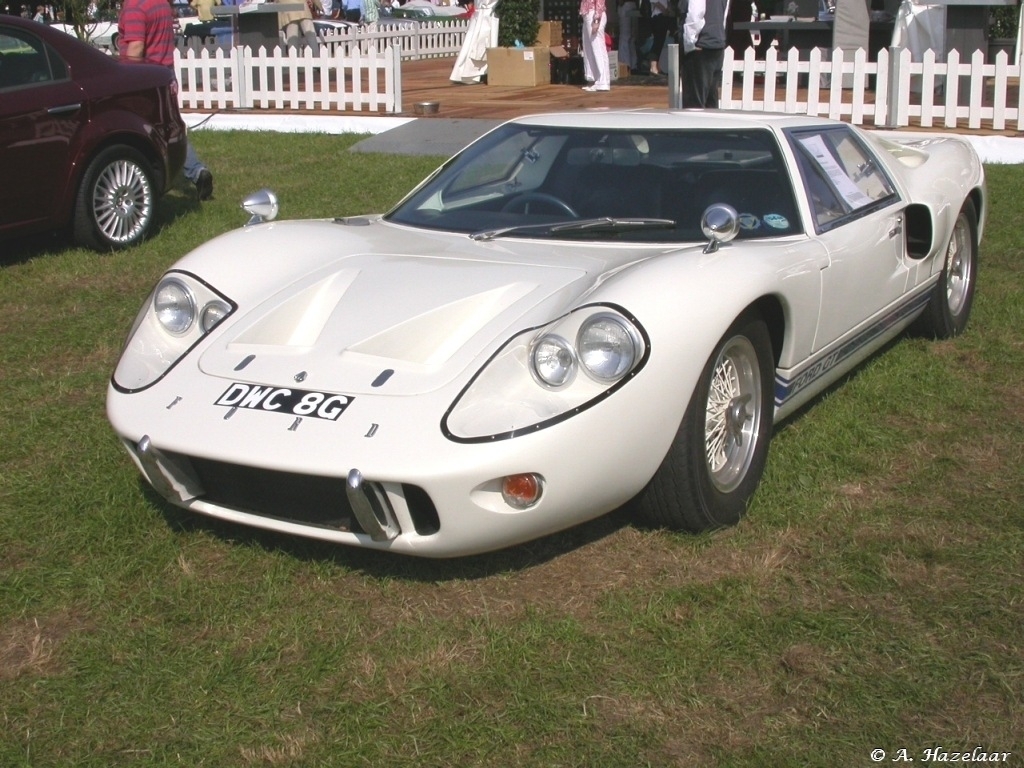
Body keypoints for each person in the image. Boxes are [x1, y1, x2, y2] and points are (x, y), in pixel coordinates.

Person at [119, 0, 214, 200]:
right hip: (165, 74)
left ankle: (140, 185)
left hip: (144, 80)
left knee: (137, 133)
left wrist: (124, 79)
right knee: (170, 129)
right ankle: (197, 172)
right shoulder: (160, 2)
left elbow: (136, 47)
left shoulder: (135, 6)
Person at [678, 0, 729, 107]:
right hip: (716, 44)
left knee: (694, 103)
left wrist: (689, 44)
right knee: (711, 99)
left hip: (701, 46)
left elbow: (695, 14)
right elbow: (724, 16)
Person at [580, 0, 610, 91]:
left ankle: (603, 81)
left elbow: (600, 2)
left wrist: (596, 20)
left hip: (594, 15)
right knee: (590, 48)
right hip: (588, 14)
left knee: (598, 49)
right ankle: (597, 80)